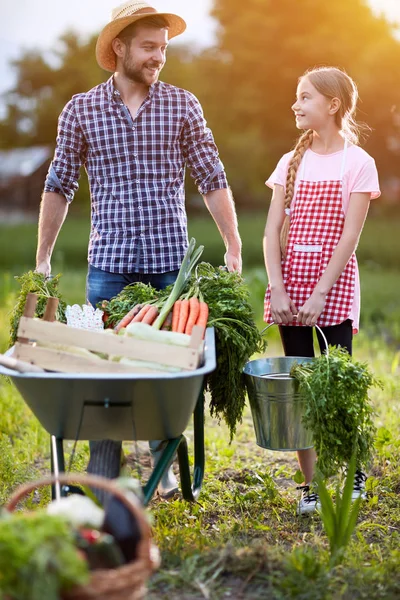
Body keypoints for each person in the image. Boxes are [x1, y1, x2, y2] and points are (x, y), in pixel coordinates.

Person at [35, 0, 242, 499]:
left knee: (164, 374)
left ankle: (161, 460)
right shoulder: (81, 110)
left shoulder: (182, 104)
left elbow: (211, 176)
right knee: (106, 376)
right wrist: (42, 255)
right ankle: (103, 472)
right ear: (120, 47)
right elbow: (59, 184)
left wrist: (234, 245)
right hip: (108, 267)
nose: (158, 57)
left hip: (171, 268)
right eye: (149, 47)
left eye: (163, 48)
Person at [263, 66, 380, 515]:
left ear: (332, 105)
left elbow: (349, 237)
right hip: (290, 288)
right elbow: (272, 232)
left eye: (305, 97)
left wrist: (319, 294)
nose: (296, 104)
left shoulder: (358, 163)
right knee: (299, 388)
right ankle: (311, 485)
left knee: (336, 385)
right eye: (297, 96)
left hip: (331, 287)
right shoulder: (290, 161)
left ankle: (352, 471)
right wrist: (279, 287)